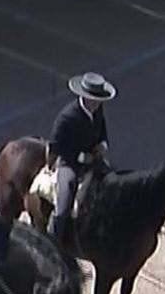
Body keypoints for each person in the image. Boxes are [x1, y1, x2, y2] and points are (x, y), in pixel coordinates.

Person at [45, 72, 116, 245]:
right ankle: (51, 242)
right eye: (94, 99)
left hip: (93, 161)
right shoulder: (67, 117)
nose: (97, 103)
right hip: (69, 164)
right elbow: (57, 146)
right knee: (64, 202)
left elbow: (102, 130)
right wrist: (82, 157)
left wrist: (103, 145)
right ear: (84, 97)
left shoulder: (98, 110)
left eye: (99, 100)